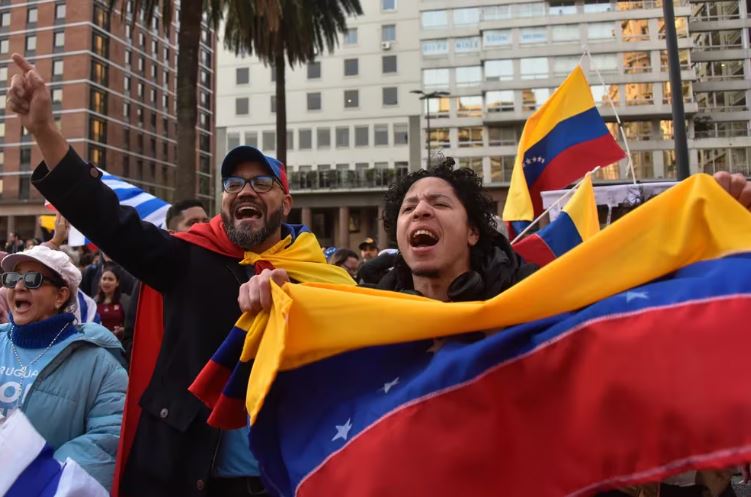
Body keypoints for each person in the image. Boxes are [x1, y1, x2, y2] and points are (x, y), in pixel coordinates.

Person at [7, 53, 352, 497]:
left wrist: (298, 301)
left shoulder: (323, 278)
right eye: (233, 184)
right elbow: (106, 218)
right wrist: (43, 131)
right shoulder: (190, 258)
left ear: (285, 204)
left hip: (284, 477)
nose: (245, 190)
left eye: (261, 183)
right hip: (183, 473)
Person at [0, 245, 126, 491]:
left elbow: (107, 440)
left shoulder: (101, 364)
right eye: (13, 278)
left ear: (60, 296)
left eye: (33, 280)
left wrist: (36, 481)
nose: (19, 287)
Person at [96, 262, 129, 339]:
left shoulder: (126, 301)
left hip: (118, 343)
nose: (106, 282)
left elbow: (131, 326)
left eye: (110, 279)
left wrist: (123, 330)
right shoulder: (94, 301)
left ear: (117, 283)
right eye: (104, 279)